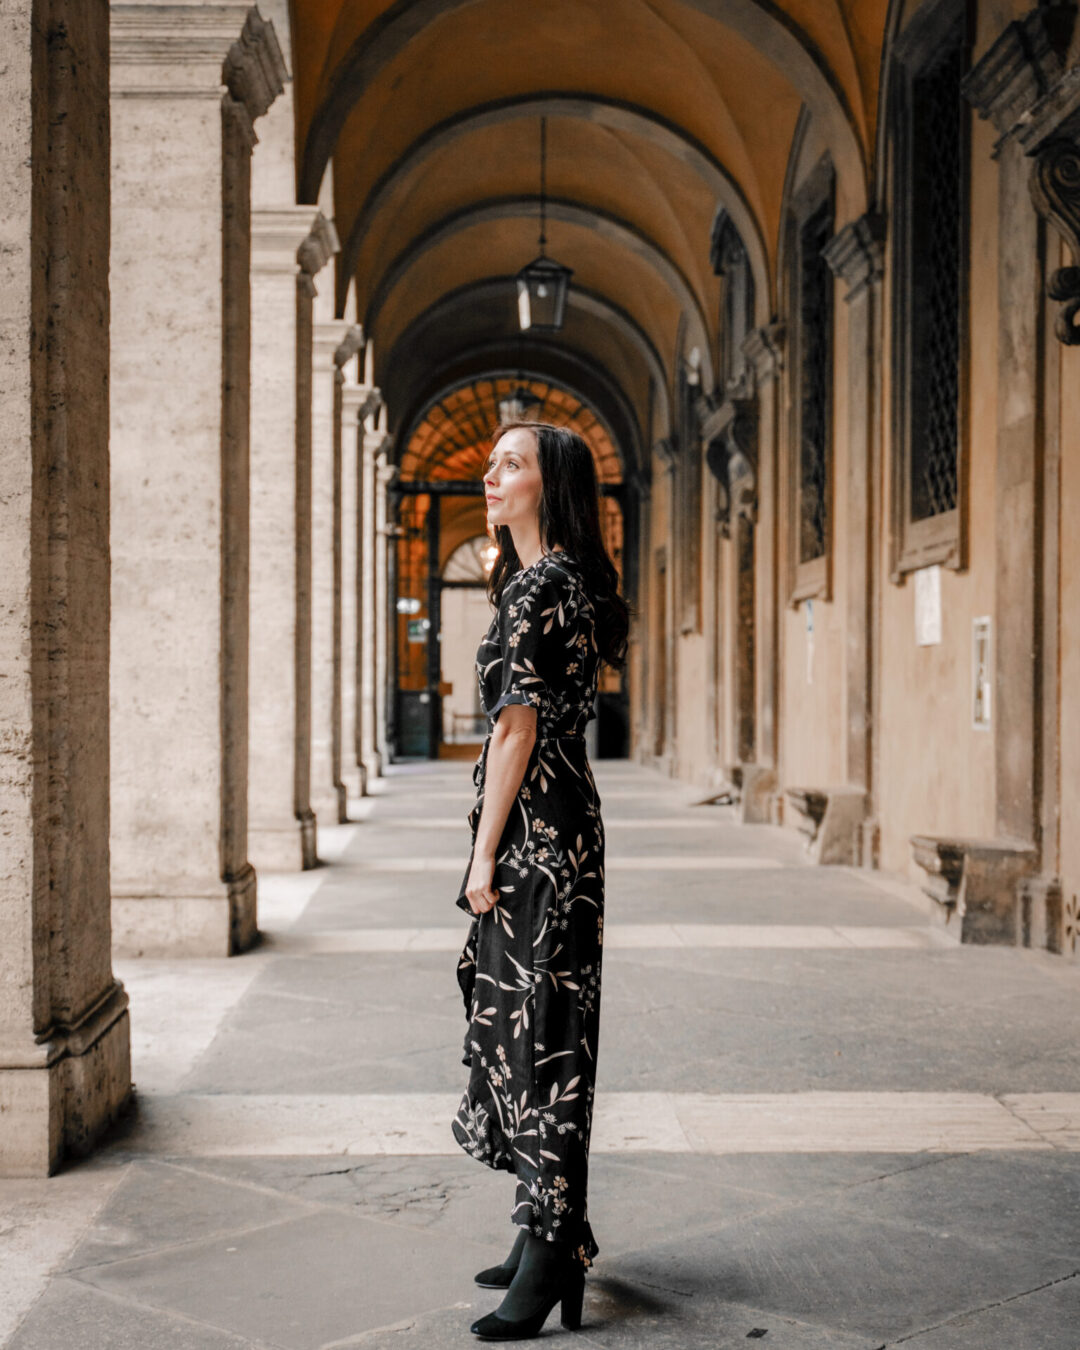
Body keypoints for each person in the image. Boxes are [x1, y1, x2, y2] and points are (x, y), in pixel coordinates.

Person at [452, 420, 630, 1340]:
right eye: (490, 464)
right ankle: (544, 1226)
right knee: (537, 1025)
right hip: (561, 823)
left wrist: (483, 854)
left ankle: (555, 1240)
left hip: (538, 836)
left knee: (543, 1034)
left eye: (510, 464)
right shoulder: (538, 582)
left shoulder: (541, 588)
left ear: (549, 485)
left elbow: (515, 730)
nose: (491, 475)